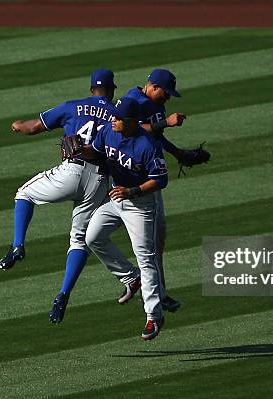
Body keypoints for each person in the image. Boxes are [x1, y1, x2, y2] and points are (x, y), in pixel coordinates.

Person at [0, 69, 118, 325]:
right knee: (78, 240)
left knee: (24, 194)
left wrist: (18, 125)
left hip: (70, 171)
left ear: (91, 90)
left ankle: (18, 245)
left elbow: (33, 127)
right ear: (113, 89)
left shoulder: (73, 106)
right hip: (99, 181)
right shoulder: (119, 115)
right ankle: (63, 295)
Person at [81, 97, 168, 341]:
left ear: (132, 122)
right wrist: (79, 150)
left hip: (140, 205)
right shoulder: (109, 130)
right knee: (93, 237)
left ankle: (154, 315)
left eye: (119, 118)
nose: (113, 119)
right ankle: (131, 278)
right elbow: (95, 153)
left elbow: (161, 180)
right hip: (117, 200)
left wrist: (132, 191)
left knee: (146, 258)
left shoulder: (147, 144)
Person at [121, 68, 190, 312]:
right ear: (154, 87)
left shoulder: (154, 104)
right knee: (147, 245)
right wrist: (166, 122)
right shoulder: (133, 101)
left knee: (157, 239)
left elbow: (156, 136)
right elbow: (134, 129)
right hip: (131, 181)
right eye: (166, 93)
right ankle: (136, 283)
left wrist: (177, 153)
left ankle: (158, 292)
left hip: (150, 177)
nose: (168, 98)